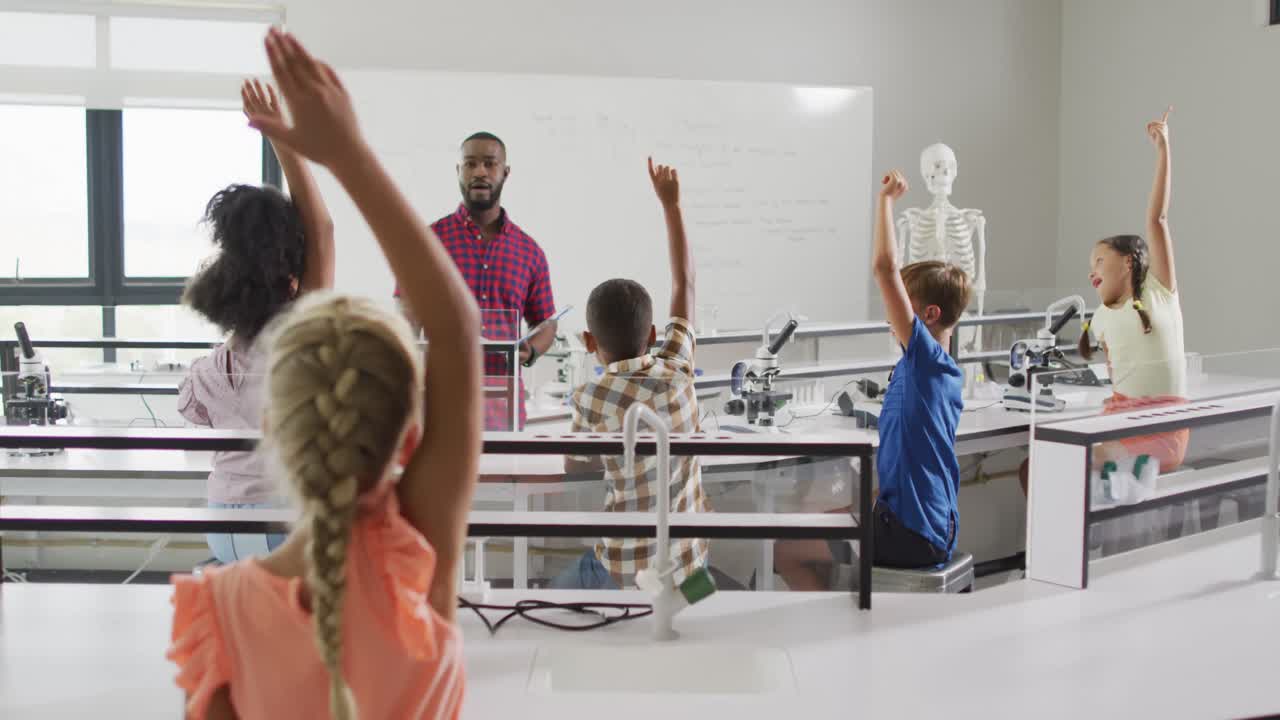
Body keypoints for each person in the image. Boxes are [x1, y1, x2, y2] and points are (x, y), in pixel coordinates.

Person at [167, 28, 482, 720]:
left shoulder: (217, 612)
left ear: (277, 429)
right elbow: (458, 333)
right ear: (408, 440)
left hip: (231, 525)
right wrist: (343, 152)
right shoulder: (416, 567)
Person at [775, 170, 970, 589]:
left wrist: (884, 201)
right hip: (926, 524)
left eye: (902, 303)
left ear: (929, 315)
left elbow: (884, 268)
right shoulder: (936, 368)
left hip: (913, 536)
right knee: (836, 513)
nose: (890, 312)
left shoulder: (925, 362)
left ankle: (840, 641)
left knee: (787, 549)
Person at [178, 78, 334, 564]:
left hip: (221, 523)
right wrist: (279, 136)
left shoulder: (209, 370)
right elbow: (323, 229)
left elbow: (195, 416)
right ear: (291, 274)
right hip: (282, 524)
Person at [553, 158, 709, 590]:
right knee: (692, 607)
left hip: (624, 572)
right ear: (654, 333)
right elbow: (686, 284)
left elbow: (575, 469)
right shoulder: (678, 367)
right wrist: (671, 205)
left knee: (545, 597)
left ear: (588, 341)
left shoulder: (589, 396)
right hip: (691, 566)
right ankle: (696, 614)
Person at [394, 131, 557, 430]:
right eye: (470, 164)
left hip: (503, 409)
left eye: (489, 163)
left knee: (504, 478)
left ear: (505, 172)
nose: (479, 172)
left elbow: (546, 323)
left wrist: (531, 349)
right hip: (438, 405)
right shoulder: (426, 243)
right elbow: (404, 318)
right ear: (458, 171)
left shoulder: (529, 252)